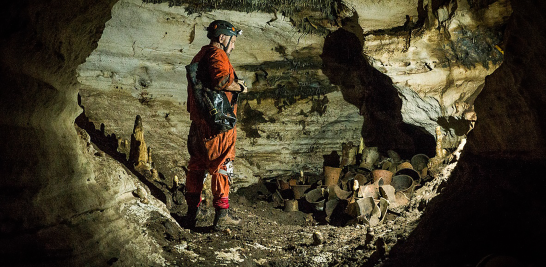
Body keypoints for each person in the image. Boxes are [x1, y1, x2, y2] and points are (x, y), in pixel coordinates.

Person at [184, 20, 247, 231]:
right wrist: (240, 87)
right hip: (217, 126)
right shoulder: (216, 54)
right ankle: (222, 216)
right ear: (222, 37)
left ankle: (192, 213)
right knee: (222, 165)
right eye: (233, 40)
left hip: (198, 125)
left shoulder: (200, 55)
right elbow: (222, 81)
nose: (234, 46)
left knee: (197, 166)